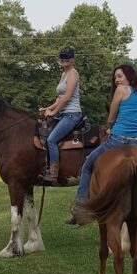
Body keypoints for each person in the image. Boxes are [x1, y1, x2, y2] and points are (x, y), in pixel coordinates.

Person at [65, 64, 137, 224]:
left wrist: (109, 129)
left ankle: (80, 207)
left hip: (118, 139)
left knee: (87, 165)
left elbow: (111, 118)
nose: (117, 80)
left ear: (129, 76)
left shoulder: (121, 91)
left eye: (120, 76)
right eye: (115, 77)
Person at [39, 46, 82, 183]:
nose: (64, 60)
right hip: (63, 114)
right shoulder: (63, 74)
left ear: (72, 59)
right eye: (62, 57)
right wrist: (47, 108)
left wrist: (53, 112)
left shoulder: (73, 74)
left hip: (72, 114)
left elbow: (68, 97)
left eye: (67, 57)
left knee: (51, 140)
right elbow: (59, 98)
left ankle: (53, 174)